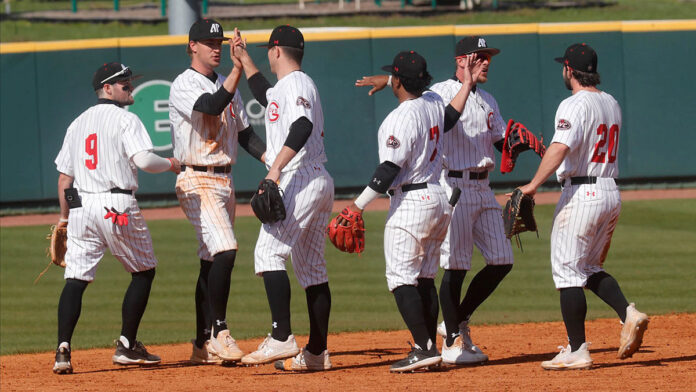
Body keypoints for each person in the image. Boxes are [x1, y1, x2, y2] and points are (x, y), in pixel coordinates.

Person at [356, 36, 528, 366]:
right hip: (450, 186)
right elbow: (429, 106)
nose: (486, 62)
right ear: (461, 60)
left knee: (499, 260)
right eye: (479, 57)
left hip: (468, 188)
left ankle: (446, 328)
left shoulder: (487, 99)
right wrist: (391, 79)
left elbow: (500, 139)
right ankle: (450, 338)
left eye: (488, 57)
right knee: (452, 267)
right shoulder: (441, 94)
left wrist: (524, 145)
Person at [517, 43, 649, 370]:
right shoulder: (611, 102)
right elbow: (576, 147)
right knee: (587, 268)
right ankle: (628, 313)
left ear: (570, 70)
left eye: (564, 66)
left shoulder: (572, 104)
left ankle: (577, 349)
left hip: (582, 195)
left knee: (567, 272)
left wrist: (532, 186)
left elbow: (562, 147)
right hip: (609, 192)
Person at [350, 50, 481, 372]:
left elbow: (388, 169)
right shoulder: (434, 102)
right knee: (424, 278)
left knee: (400, 278)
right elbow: (450, 117)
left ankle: (423, 348)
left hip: (411, 203)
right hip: (439, 198)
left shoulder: (400, 117)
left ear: (396, 81)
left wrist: (357, 205)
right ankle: (430, 349)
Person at [52, 62, 181, 374]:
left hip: (82, 206)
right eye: (123, 83)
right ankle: (127, 345)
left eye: (129, 81)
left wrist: (66, 218)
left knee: (76, 279)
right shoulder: (126, 119)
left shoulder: (77, 123)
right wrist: (171, 163)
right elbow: (145, 161)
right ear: (106, 89)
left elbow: (64, 180)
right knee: (143, 271)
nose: (129, 86)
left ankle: (62, 351)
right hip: (116, 207)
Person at [231, 25, 335, 372]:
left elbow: (302, 126)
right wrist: (245, 59)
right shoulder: (286, 88)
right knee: (311, 269)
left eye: (265, 52)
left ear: (275, 51)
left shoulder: (297, 84)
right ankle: (316, 353)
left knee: (268, 253)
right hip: (313, 179)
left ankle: (281, 337)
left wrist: (274, 170)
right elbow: (265, 94)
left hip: (300, 177)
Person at [168, 19, 266, 364]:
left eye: (219, 42)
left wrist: (271, 159)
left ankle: (199, 344)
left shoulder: (230, 84)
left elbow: (243, 133)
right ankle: (219, 332)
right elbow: (210, 106)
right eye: (208, 42)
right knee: (225, 250)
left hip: (225, 181)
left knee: (210, 261)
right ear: (191, 45)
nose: (215, 47)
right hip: (196, 178)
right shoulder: (183, 84)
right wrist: (239, 69)